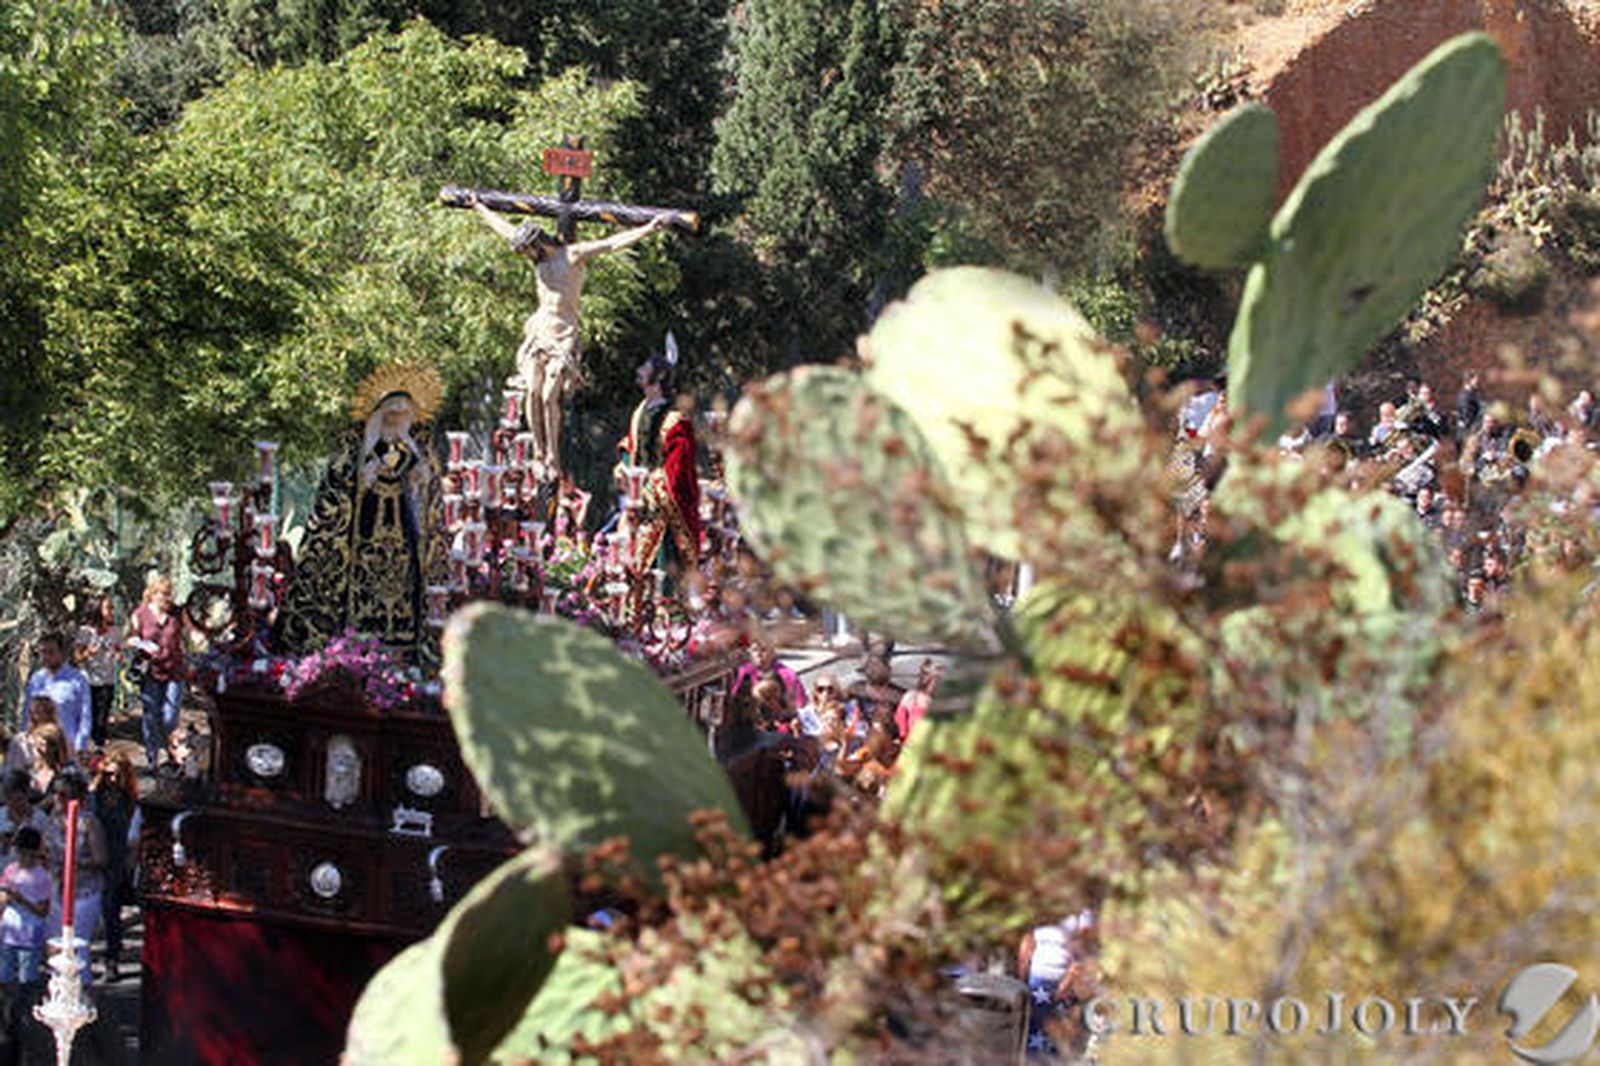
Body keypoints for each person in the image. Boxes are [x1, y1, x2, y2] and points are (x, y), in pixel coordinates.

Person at [469, 193, 676, 479]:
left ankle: (554, 456)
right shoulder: (538, 261)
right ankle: (540, 452)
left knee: (549, 394)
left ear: (537, 243)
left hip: (564, 332)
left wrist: (648, 228)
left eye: (527, 250)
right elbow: (506, 229)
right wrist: (480, 208)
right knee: (532, 389)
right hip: (539, 329)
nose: (526, 257)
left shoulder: (573, 255)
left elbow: (611, 244)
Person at [276, 364, 450, 665]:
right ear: (380, 413)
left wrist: (420, 477)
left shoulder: (415, 445)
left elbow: (430, 494)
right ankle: (355, 649)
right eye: (391, 414)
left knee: (404, 584)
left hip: (404, 531)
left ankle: (405, 650)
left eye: (403, 415)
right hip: (363, 532)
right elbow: (338, 486)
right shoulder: (357, 445)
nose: (397, 421)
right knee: (361, 582)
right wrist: (364, 476)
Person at [615, 336, 702, 589]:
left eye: (645, 368)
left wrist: (651, 484)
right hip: (638, 497)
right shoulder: (641, 409)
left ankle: (666, 603)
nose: (639, 372)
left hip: (662, 502)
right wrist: (623, 465)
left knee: (661, 553)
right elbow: (632, 444)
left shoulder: (677, 420)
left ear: (660, 376)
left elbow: (679, 468)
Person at [43, 769, 107, 982]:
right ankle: (56, 989)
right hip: (56, 888)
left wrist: (74, 861)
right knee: (54, 943)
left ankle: (81, 990)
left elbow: (101, 859)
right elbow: (45, 850)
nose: (57, 799)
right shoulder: (51, 819)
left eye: (64, 795)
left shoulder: (88, 822)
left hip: (83, 891)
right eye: (55, 793)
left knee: (77, 945)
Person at [128, 576, 190, 772]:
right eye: (162, 594)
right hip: (151, 670)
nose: (166, 598)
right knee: (150, 714)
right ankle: (152, 757)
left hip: (175, 670)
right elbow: (130, 638)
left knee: (169, 717)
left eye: (168, 594)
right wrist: (142, 645)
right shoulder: (140, 614)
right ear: (153, 594)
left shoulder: (177, 614)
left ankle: (169, 749)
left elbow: (192, 633)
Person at [91, 752, 138, 982]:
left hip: (115, 861)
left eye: (117, 776)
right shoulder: (94, 797)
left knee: (111, 910)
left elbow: (133, 835)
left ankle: (112, 958)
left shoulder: (130, 802)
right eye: (108, 774)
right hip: (92, 858)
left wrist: (130, 859)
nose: (112, 780)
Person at [21, 634, 90, 757]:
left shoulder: (78, 679)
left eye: (51, 652)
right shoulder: (36, 679)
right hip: (39, 747)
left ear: (62, 653)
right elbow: (27, 712)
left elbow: (85, 715)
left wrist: (81, 746)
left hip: (67, 746)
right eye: (43, 652)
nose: (46, 657)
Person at [0, 827, 50, 989]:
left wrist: (21, 900)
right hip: (9, 932)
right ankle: (7, 1009)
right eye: (21, 854)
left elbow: (43, 911)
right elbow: (2, 897)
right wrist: (6, 897)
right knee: (4, 976)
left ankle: (24, 1009)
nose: (25, 859)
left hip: (30, 935)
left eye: (30, 855)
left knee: (27, 979)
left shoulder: (41, 876)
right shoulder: (10, 870)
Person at [76, 596, 122, 749]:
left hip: (107, 679)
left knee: (102, 717)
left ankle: (99, 748)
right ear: (97, 610)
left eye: (111, 608)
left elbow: (117, 650)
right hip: (88, 680)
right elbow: (77, 658)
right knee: (89, 716)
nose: (111, 612)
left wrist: (118, 655)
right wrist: (88, 652)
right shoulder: (85, 632)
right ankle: (84, 748)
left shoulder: (114, 631)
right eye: (108, 608)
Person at [894, 659, 941, 746]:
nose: (935, 685)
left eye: (937, 681)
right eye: (934, 681)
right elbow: (899, 716)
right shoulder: (911, 696)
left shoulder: (939, 700)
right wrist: (903, 733)